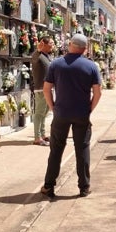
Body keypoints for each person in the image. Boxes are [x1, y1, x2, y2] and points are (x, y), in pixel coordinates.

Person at [40, 34, 102, 199]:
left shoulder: (56, 64)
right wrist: (90, 108)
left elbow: (46, 89)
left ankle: (48, 186)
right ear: (84, 48)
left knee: (56, 150)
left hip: (61, 113)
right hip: (82, 113)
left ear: (70, 45)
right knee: (82, 149)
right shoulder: (91, 66)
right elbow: (97, 92)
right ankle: (84, 187)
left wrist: (53, 107)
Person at [31, 35, 54, 146]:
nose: (53, 45)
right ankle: (37, 137)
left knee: (45, 112)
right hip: (41, 88)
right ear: (43, 44)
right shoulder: (38, 55)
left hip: (48, 88)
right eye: (51, 43)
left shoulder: (47, 56)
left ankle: (43, 134)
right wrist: (38, 50)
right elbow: (34, 58)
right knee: (39, 112)